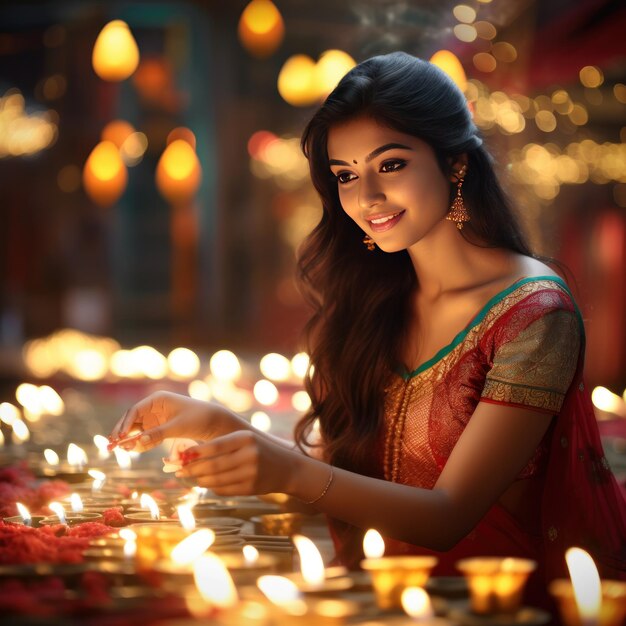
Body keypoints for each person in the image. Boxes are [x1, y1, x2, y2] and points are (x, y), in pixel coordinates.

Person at [109, 52, 626, 611]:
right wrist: (217, 423)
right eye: (346, 175)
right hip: (379, 602)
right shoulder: (377, 298)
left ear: (454, 163)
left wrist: (285, 468)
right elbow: (349, 478)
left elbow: (448, 515)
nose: (366, 197)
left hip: (493, 610)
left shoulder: (533, 314)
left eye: (392, 164)